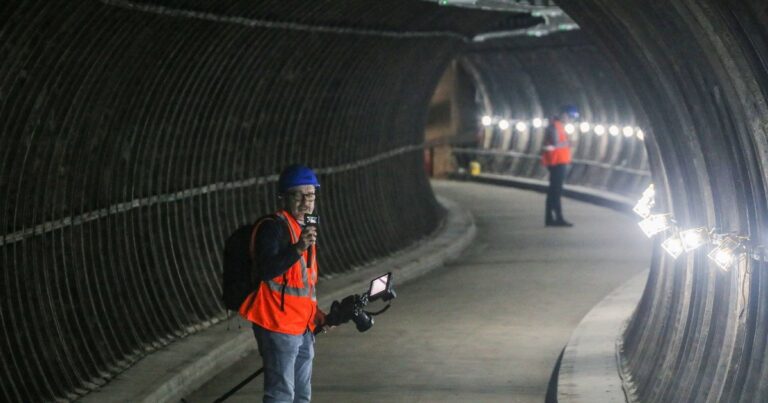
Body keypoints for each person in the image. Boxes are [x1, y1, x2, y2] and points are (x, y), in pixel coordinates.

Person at [238, 164, 327, 402]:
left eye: (311, 194)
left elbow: (305, 280)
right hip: (276, 323)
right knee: (281, 393)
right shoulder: (272, 228)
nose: (306, 201)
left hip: (302, 324)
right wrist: (298, 248)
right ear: (284, 197)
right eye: (299, 194)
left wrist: (314, 312)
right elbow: (268, 270)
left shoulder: (306, 227)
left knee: (302, 394)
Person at [541, 105, 577, 227]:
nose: (570, 120)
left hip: (558, 160)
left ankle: (550, 218)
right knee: (555, 191)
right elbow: (556, 143)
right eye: (569, 117)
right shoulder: (554, 126)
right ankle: (557, 218)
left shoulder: (558, 126)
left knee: (554, 191)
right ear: (563, 114)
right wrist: (569, 143)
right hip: (556, 161)